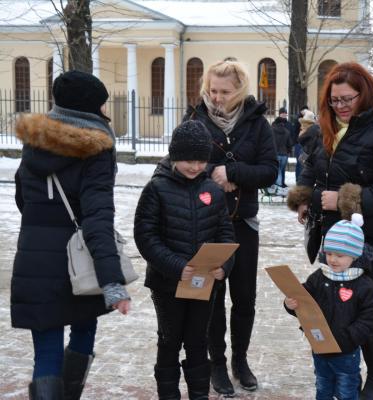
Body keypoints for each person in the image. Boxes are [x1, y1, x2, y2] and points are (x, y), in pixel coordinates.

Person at [287, 62, 373, 400]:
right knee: (337, 303)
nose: (341, 106)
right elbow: (310, 168)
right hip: (333, 235)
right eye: (334, 100)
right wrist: (304, 198)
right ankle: (347, 368)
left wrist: (343, 200)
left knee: (362, 302)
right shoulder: (323, 128)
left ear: (366, 93)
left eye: (348, 99)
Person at [11, 70, 131, 398]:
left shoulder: (34, 142)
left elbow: (23, 199)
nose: (106, 113)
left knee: (46, 352)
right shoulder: (96, 149)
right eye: (103, 106)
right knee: (82, 332)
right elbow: (97, 218)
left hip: (34, 260)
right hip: (81, 260)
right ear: (90, 110)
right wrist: (111, 281)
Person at [183, 60, 278, 396]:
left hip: (243, 223)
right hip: (205, 223)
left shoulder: (257, 124)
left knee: (244, 297)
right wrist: (213, 173)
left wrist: (234, 174)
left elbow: (270, 170)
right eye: (212, 90)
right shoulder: (195, 119)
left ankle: (240, 359)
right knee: (211, 297)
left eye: (224, 91)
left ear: (239, 91)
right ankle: (217, 363)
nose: (217, 98)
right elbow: (179, 161)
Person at [134, 120, 236, 399]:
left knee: (197, 341)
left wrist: (224, 266)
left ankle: (199, 394)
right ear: (175, 156)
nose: (195, 166)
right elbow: (146, 237)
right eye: (189, 160)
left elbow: (226, 233)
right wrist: (177, 267)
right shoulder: (156, 188)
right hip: (167, 285)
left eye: (201, 160)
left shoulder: (213, 191)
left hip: (204, 284)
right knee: (169, 341)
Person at [284, 215, 373, 400]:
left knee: (346, 391)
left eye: (339, 255)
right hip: (320, 348)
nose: (333, 260)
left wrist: (348, 338)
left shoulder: (364, 285)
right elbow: (303, 299)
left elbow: (371, 317)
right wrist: (291, 304)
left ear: (354, 255)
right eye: (329, 253)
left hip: (346, 352)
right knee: (322, 387)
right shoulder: (319, 278)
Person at [270, 114, 294, 195]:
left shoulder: (272, 130)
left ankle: (278, 188)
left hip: (275, 154)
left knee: (278, 171)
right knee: (281, 171)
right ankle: (279, 187)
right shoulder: (287, 132)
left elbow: (269, 142)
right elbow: (290, 144)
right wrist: (288, 151)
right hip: (284, 155)